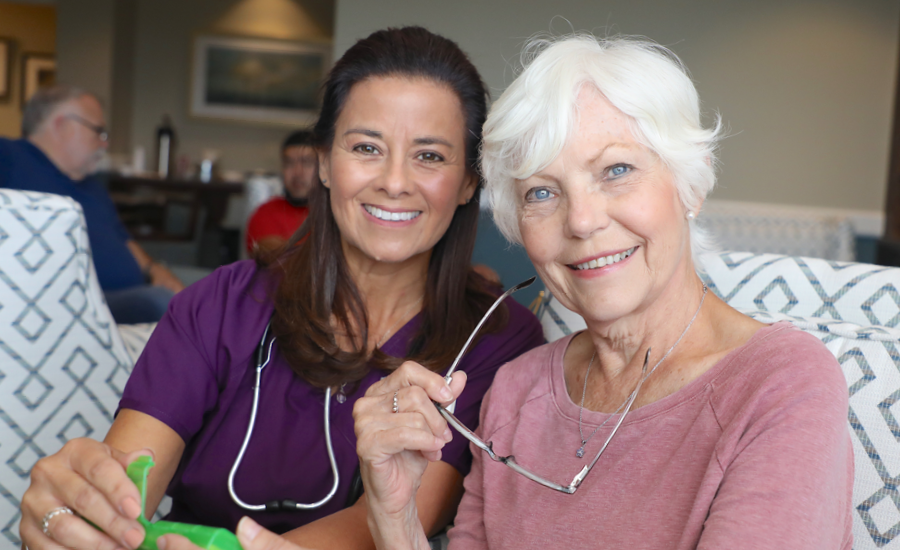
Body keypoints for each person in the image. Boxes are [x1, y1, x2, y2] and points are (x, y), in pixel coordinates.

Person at [20, 27, 544, 550]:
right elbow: (126, 480)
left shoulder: (500, 343)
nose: (395, 180)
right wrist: (80, 516)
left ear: (469, 182)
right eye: (366, 147)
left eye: (429, 156)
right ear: (322, 162)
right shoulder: (220, 304)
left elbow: (386, 522)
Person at [353, 35, 854, 549]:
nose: (582, 221)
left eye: (617, 171)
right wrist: (395, 520)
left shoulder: (783, 384)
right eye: (542, 193)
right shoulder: (515, 391)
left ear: (692, 183)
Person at [0, 85, 184, 323]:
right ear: (61, 125)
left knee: (205, 296)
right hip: (76, 305)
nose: (104, 143)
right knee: (163, 304)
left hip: (131, 295)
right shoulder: (11, 158)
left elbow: (123, 239)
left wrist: (154, 269)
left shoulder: (93, 187)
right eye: (98, 131)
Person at [246, 130, 317, 256]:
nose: (297, 173)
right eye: (289, 163)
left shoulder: (336, 214)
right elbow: (276, 259)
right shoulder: (267, 212)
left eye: (307, 162)